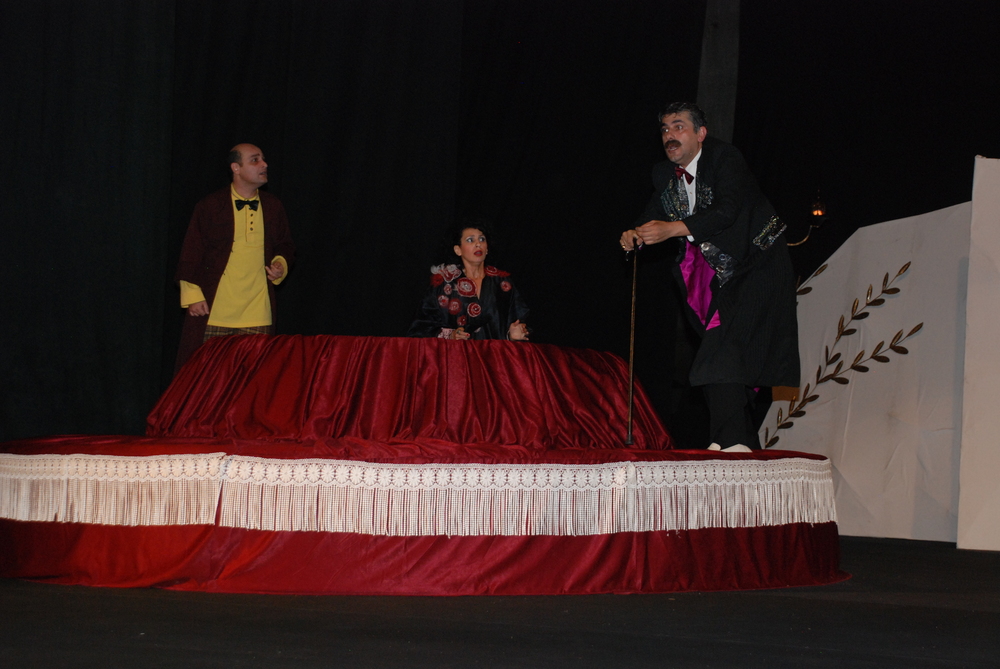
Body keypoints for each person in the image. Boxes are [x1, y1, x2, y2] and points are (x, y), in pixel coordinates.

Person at [620, 102, 799, 451]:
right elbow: (652, 214)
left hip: (757, 264)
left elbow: (727, 211)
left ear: (701, 134)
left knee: (720, 350)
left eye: (679, 127)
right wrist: (635, 234)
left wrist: (672, 228)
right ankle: (736, 440)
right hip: (720, 276)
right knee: (726, 355)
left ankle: (731, 439)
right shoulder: (664, 174)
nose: (670, 135)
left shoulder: (724, 158)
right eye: (665, 129)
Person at [174, 143, 295, 371]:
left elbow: (285, 245)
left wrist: (280, 264)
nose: (264, 164)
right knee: (205, 378)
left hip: (257, 313)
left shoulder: (273, 206)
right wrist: (192, 295)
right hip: (214, 312)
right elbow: (191, 251)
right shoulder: (210, 206)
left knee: (251, 380)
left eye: (263, 159)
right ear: (235, 168)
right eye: (255, 160)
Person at [408, 224, 530, 341]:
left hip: (496, 354)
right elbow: (420, 328)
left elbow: (522, 320)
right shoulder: (444, 284)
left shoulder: (503, 283)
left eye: (482, 239)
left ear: (487, 248)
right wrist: (451, 335)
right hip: (458, 354)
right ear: (458, 250)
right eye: (470, 240)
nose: (478, 244)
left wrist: (514, 334)